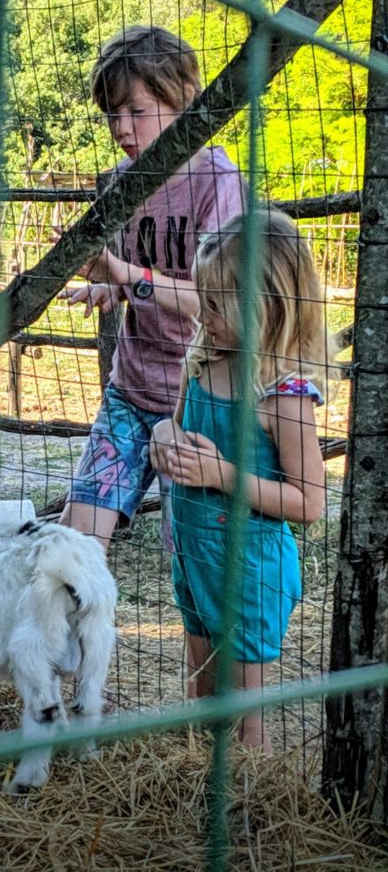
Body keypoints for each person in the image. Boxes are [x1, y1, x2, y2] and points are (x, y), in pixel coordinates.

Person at [60, 25, 245, 549]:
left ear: (182, 99)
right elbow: (135, 274)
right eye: (111, 114)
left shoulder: (218, 182)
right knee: (75, 542)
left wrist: (129, 278)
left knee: (192, 557)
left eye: (136, 111)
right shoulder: (120, 181)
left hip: (199, 397)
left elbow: (217, 306)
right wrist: (107, 286)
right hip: (131, 388)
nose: (121, 127)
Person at [150, 209, 328, 751]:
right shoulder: (201, 361)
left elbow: (310, 502)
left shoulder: (283, 395)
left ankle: (250, 810)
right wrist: (162, 435)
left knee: (244, 719)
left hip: (249, 567)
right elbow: (174, 425)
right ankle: (195, 793)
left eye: (215, 304)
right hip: (194, 551)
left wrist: (222, 473)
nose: (202, 313)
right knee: (201, 696)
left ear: (266, 307)